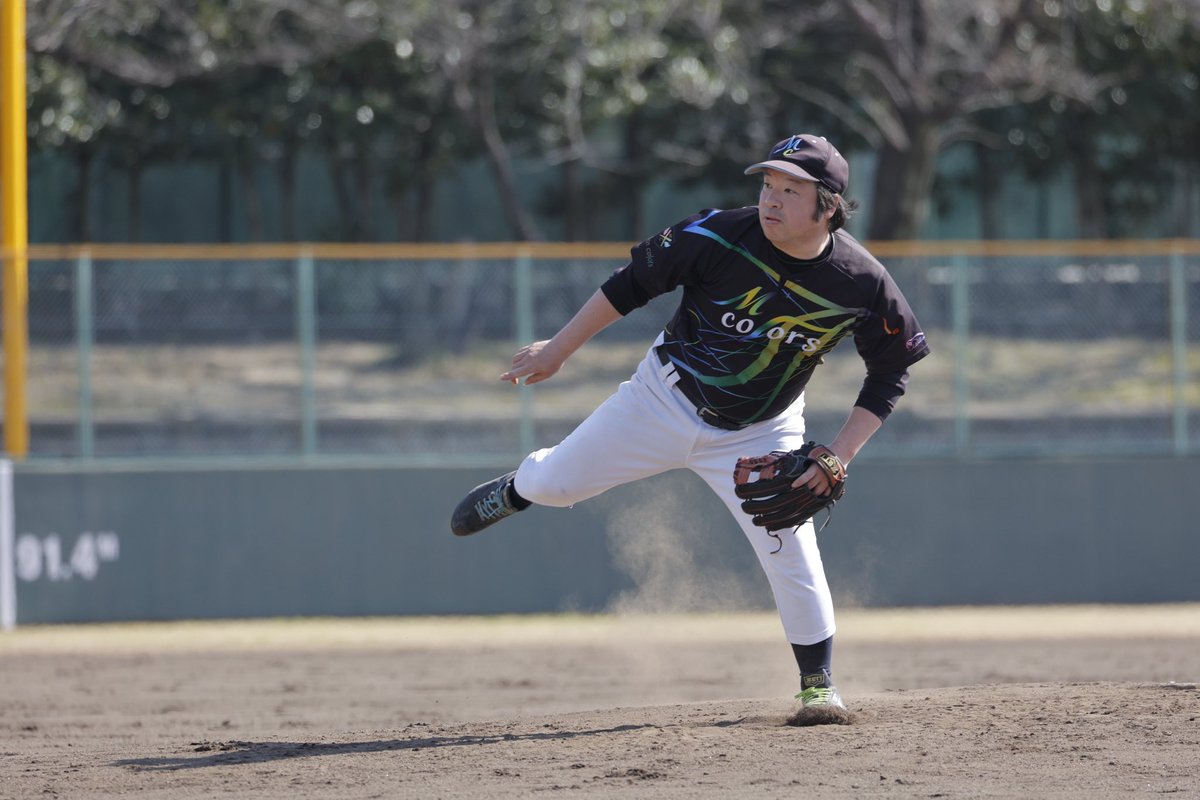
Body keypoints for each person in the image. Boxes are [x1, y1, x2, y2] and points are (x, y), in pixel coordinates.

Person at [450, 133, 930, 715]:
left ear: (827, 205)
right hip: (661, 400)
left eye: (790, 189)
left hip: (762, 430)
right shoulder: (719, 233)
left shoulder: (862, 282)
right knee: (555, 486)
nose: (770, 199)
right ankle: (516, 490)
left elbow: (891, 369)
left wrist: (838, 455)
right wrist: (559, 348)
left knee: (791, 552)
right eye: (767, 185)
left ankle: (818, 685)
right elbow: (631, 285)